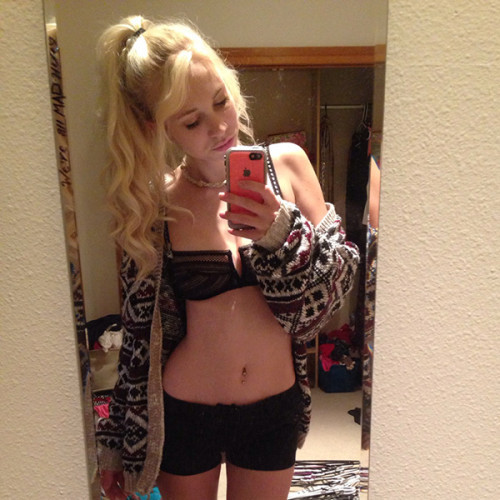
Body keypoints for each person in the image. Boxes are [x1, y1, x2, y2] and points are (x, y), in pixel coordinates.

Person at [95, 15, 359, 500]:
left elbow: (335, 288)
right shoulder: (158, 202)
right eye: (192, 121)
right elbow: (138, 337)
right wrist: (113, 443)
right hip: (184, 409)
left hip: (273, 408)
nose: (218, 127)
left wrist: (282, 232)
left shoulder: (288, 166)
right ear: (159, 127)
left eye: (221, 101)